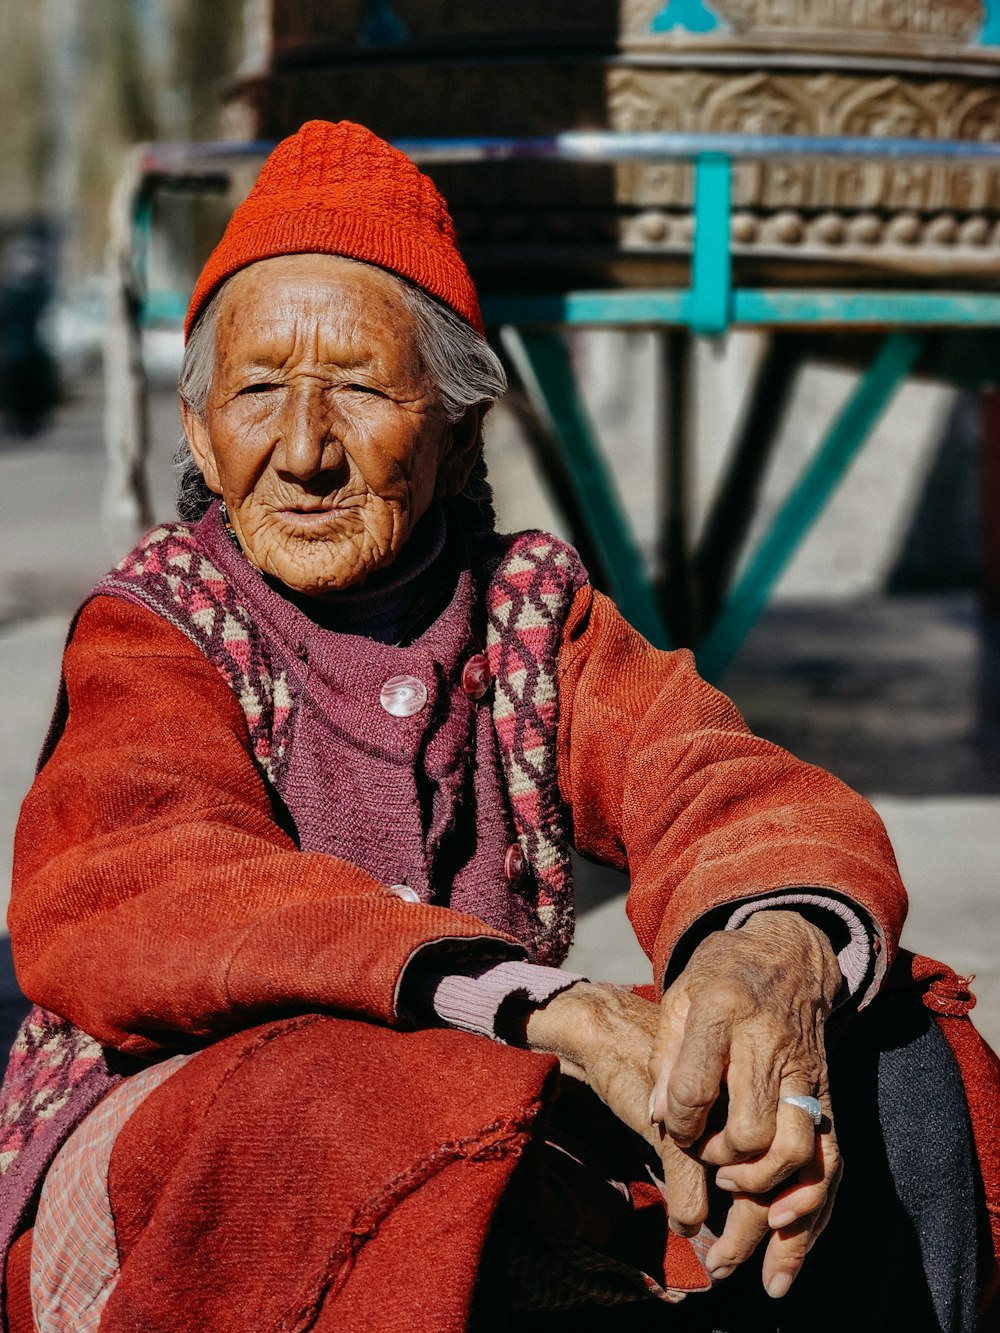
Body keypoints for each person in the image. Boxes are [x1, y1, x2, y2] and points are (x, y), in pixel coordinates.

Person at [0, 120, 996, 1333]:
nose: (304, 449)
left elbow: (719, 784)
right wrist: (550, 1008)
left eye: (361, 387)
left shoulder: (528, 609)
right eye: (258, 390)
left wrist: (764, 955)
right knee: (335, 1101)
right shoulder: (158, 623)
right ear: (201, 430)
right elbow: (142, 883)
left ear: (460, 431)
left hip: (482, 1109)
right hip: (209, 1130)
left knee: (887, 1048)